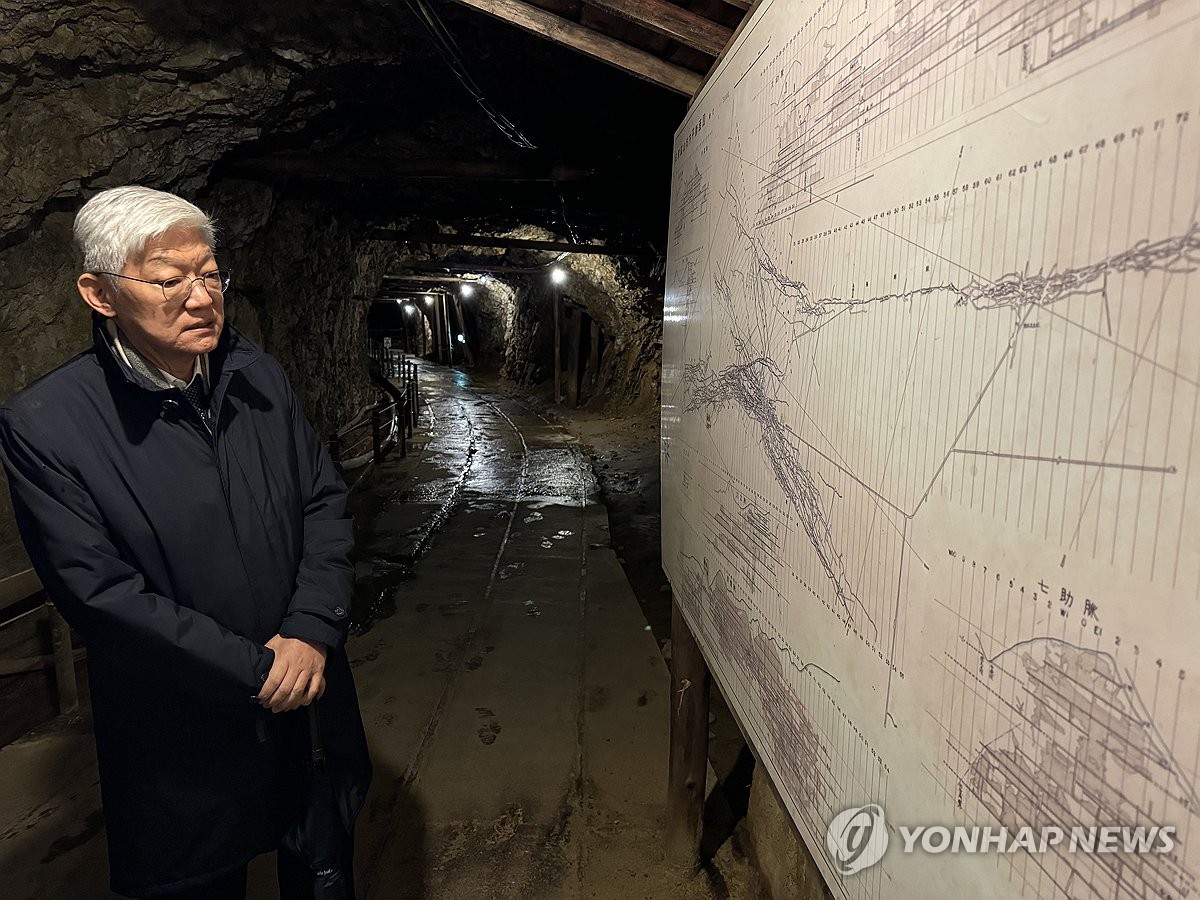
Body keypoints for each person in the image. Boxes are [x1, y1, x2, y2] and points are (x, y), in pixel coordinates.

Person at [0, 186, 372, 898]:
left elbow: (323, 501)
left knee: (322, 862)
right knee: (196, 877)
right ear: (99, 292)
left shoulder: (255, 374)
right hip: (180, 729)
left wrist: (311, 628)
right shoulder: (47, 426)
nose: (201, 298)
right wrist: (257, 669)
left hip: (308, 702)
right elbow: (100, 594)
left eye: (210, 275)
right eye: (170, 281)